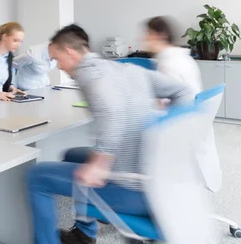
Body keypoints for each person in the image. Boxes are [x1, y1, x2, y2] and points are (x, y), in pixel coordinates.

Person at [27, 24, 194, 244]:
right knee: (73, 154)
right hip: (160, 177)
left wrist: (99, 165)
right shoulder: (124, 68)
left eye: (58, 59)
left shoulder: (88, 74)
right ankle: (85, 234)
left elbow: (113, 114)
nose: (59, 67)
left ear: (70, 52)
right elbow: (182, 90)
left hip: (136, 188)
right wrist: (169, 136)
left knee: (36, 176)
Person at [144, 15, 221, 192]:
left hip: (177, 130)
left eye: (148, 34)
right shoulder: (184, 58)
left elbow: (162, 104)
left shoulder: (168, 63)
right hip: (192, 127)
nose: (144, 39)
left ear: (160, 35)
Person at [14, 29, 88, 90]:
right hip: (27, 90)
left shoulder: (58, 54)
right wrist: (12, 87)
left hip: (45, 87)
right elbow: (12, 65)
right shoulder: (33, 54)